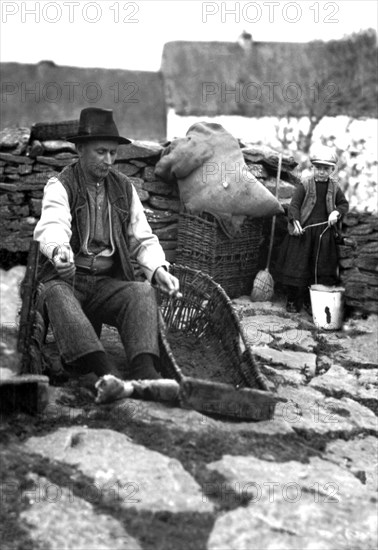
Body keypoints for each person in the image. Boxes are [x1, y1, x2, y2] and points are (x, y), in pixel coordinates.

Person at [34, 107, 180, 386]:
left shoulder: (124, 188)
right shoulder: (61, 185)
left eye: (113, 153)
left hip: (105, 284)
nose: (109, 160)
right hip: (69, 280)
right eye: (101, 152)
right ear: (80, 148)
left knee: (141, 291)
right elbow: (53, 224)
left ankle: (143, 369)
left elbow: (142, 237)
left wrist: (158, 269)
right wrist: (58, 251)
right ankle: (104, 370)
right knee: (55, 293)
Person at [277, 145, 349, 313]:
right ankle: (293, 300)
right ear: (313, 167)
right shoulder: (305, 184)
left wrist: (336, 213)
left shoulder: (334, 187)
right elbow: (294, 205)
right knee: (298, 266)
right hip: (304, 232)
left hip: (324, 234)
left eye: (325, 168)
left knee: (319, 269)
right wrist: (295, 221)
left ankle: (313, 301)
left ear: (332, 169)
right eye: (318, 168)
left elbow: (343, 204)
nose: (321, 172)